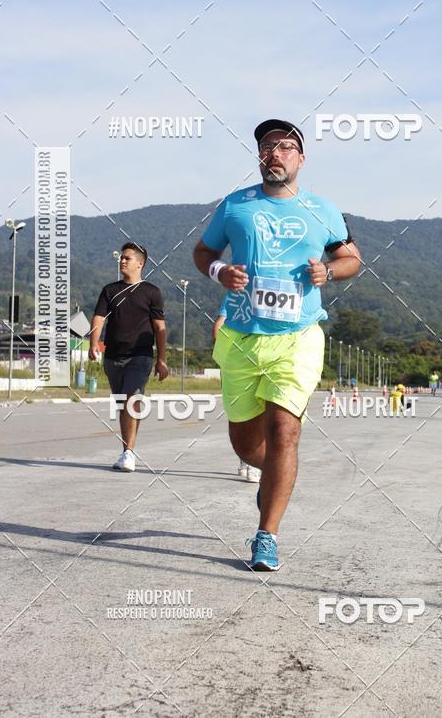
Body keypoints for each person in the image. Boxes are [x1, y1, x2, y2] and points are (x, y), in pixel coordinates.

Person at [193, 119, 360, 570]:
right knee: (247, 446)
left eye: (286, 146)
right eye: (268, 146)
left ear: (300, 159)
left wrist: (330, 272)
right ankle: (271, 482)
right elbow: (203, 253)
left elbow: (351, 258)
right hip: (243, 340)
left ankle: (267, 534)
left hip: (299, 337)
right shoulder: (235, 206)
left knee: (284, 431)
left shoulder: (323, 209)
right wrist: (218, 273)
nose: (275, 153)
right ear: (259, 157)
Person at [89, 242, 167, 472]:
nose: (122, 261)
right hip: (113, 356)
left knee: (132, 399)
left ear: (140, 263)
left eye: (127, 258)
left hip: (140, 356)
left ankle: (128, 453)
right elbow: (98, 318)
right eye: (121, 258)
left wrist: (162, 359)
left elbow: (159, 327)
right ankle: (126, 450)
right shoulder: (109, 290)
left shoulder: (152, 292)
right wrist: (94, 344)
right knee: (122, 404)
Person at [213, 306, 261, 484]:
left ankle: (253, 462)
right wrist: (225, 355)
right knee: (242, 414)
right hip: (241, 362)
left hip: (269, 359)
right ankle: (248, 458)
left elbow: (218, 325)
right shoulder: (237, 291)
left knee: (260, 411)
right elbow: (219, 325)